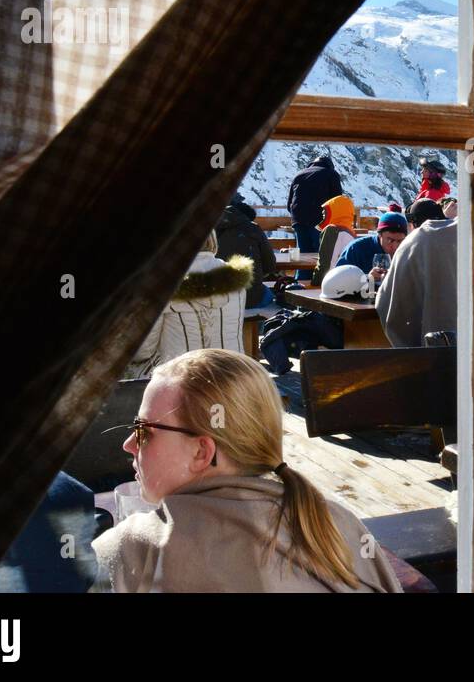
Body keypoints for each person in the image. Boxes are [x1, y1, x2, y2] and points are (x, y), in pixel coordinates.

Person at [91, 349, 402, 592]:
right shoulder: (336, 523)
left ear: (202, 452)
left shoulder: (129, 550)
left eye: (144, 430)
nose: (130, 444)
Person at [125, 231, 253, 378]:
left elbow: (143, 351)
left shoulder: (161, 284)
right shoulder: (236, 279)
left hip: (182, 378)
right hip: (232, 374)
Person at [376, 202, 456, 346]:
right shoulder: (467, 234)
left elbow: (387, 302)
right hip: (472, 343)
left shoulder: (414, 243)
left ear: (412, 224)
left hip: (432, 345)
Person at [215, 193, 277, 309]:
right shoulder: (253, 228)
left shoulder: (212, 230)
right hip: (249, 298)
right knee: (271, 295)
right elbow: (270, 266)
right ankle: (262, 327)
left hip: (218, 298)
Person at [287, 154, 343, 253]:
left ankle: (302, 268)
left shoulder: (299, 175)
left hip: (299, 221)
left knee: (302, 256)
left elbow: (289, 204)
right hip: (320, 221)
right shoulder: (331, 174)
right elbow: (337, 201)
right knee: (321, 256)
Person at [335, 210, 408, 277]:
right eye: (390, 240)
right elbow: (339, 278)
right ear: (379, 235)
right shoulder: (356, 249)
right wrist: (367, 278)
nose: (395, 247)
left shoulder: (408, 250)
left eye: (399, 241)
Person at [313, 194, 358, 281]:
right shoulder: (350, 233)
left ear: (337, 212)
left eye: (327, 211)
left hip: (331, 283)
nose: (323, 213)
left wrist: (315, 282)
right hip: (346, 282)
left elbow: (325, 265)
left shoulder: (332, 231)